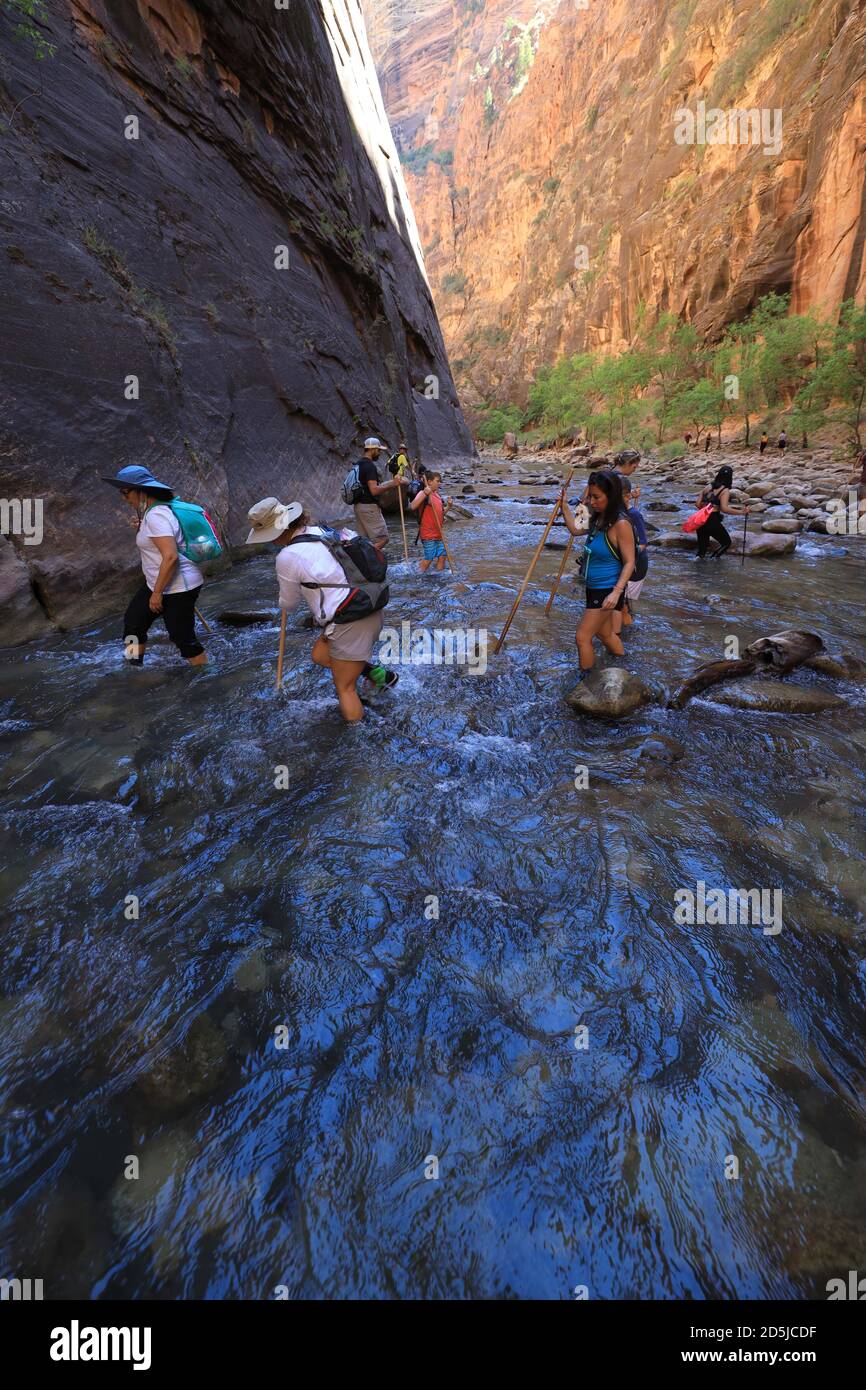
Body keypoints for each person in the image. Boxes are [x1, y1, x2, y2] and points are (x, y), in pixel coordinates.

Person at [246, 497, 397, 723]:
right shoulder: (320, 531)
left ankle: (357, 740)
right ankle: (381, 676)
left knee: (345, 688)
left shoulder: (287, 556)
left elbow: (290, 604)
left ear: (278, 532)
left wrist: (284, 593)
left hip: (349, 621)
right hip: (368, 605)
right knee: (320, 655)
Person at [103, 464, 207, 668]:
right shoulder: (154, 513)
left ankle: (206, 673)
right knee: (133, 623)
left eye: (126, 492)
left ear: (142, 491)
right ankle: (133, 667)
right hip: (158, 583)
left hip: (177, 587)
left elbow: (170, 557)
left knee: (182, 637)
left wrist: (157, 593)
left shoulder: (156, 515)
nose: (124, 498)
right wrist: (142, 530)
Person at [560, 471, 635, 675]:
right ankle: (625, 665)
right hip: (594, 588)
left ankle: (586, 681)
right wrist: (564, 506)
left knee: (582, 637)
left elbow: (630, 562)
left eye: (596, 497)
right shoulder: (598, 518)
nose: (591, 501)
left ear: (611, 496)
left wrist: (616, 592)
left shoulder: (621, 524)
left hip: (607, 591)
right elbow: (576, 529)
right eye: (590, 496)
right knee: (605, 634)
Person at [353, 437, 406, 551]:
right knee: (383, 539)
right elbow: (374, 490)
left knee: (363, 541)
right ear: (372, 449)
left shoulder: (358, 464)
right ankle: (367, 559)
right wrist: (393, 483)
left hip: (359, 506)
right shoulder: (369, 466)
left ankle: (362, 565)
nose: (379, 453)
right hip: (369, 507)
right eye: (378, 450)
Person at [694, 466, 750, 559]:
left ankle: (698, 569)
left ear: (718, 474)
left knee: (701, 552)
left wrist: (706, 509)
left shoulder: (708, 487)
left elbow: (697, 504)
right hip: (712, 520)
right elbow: (724, 509)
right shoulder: (725, 491)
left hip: (700, 519)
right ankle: (714, 562)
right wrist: (742, 512)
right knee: (726, 543)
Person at [617, 476, 648, 631]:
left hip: (636, 565)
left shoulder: (634, 515)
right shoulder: (616, 513)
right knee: (620, 600)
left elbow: (643, 542)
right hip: (622, 563)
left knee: (624, 602)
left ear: (626, 496)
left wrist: (627, 554)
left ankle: (627, 629)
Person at [410, 471, 452, 572]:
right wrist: (425, 493)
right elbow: (412, 506)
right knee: (429, 558)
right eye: (437, 481)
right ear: (429, 482)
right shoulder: (423, 493)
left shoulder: (437, 496)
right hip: (428, 533)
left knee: (442, 556)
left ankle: (439, 576)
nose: (439, 483)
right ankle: (417, 576)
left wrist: (449, 506)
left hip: (438, 533)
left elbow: (440, 514)